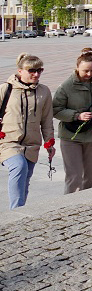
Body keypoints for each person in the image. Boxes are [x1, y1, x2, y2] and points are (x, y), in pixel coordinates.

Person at [52, 47, 92, 194]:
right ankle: (70, 204)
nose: (89, 74)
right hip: (71, 136)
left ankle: (89, 203)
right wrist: (77, 116)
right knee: (74, 177)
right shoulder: (66, 86)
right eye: (85, 71)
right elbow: (56, 110)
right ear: (77, 67)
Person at [0, 53, 55, 209]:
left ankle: (21, 211)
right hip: (8, 142)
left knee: (24, 180)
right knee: (19, 167)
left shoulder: (44, 91)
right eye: (31, 70)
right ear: (20, 71)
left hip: (32, 144)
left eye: (39, 70)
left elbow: (46, 120)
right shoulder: (6, 89)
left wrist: (49, 143)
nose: (36, 74)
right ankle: (15, 212)